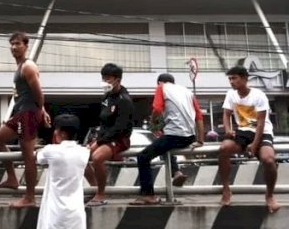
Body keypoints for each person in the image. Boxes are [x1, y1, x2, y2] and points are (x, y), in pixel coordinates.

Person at [0, 32, 50, 208]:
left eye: (18, 44)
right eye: (12, 44)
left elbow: (39, 92)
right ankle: (12, 178)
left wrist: (41, 111)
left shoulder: (28, 66)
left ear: (26, 46)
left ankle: (30, 197)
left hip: (28, 114)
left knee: (28, 156)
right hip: (21, 113)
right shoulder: (20, 68)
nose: (14, 47)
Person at [132, 73, 204, 205]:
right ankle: (176, 172)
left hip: (174, 135)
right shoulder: (187, 91)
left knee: (143, 157)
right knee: (163, 145)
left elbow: (157, 109)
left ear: (160, 82)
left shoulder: (161, 88)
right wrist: (200, 140)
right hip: (189, 137)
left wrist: (153, 123)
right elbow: (199, 116)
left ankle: (148, 195)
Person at [218, 66, 280, 213]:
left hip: (262, 132)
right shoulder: (231, 94)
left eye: (234, 78)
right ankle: (226, 189)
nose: (231, 82)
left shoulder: (259, 95)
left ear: (245, 78)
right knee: (223, 149)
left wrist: (254, 145)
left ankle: (270, 196)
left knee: (269, 159)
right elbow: (226, 114)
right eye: (230, 79)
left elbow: (260, 123)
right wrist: (228, 131)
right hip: (243, 132)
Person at [84, 63, 133, 207]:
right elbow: (103, 122)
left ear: (117, 80)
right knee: (82, 158)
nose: (105, 82)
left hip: (120, 139)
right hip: (104, 137)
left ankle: (101, 194)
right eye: (103, 78)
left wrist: (100, 142)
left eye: (108, 79)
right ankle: (95, 188)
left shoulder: (124, 100)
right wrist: (97, 139)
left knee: (97, 158)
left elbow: (120, 127)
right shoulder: (106, 97)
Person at [36, 114, 89, 229]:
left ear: (62, 133)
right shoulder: (84, 152)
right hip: (76, 214)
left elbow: (38, 157)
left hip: (55, 215)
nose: (54, 132)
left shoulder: (50, 151)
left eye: (56, 130)